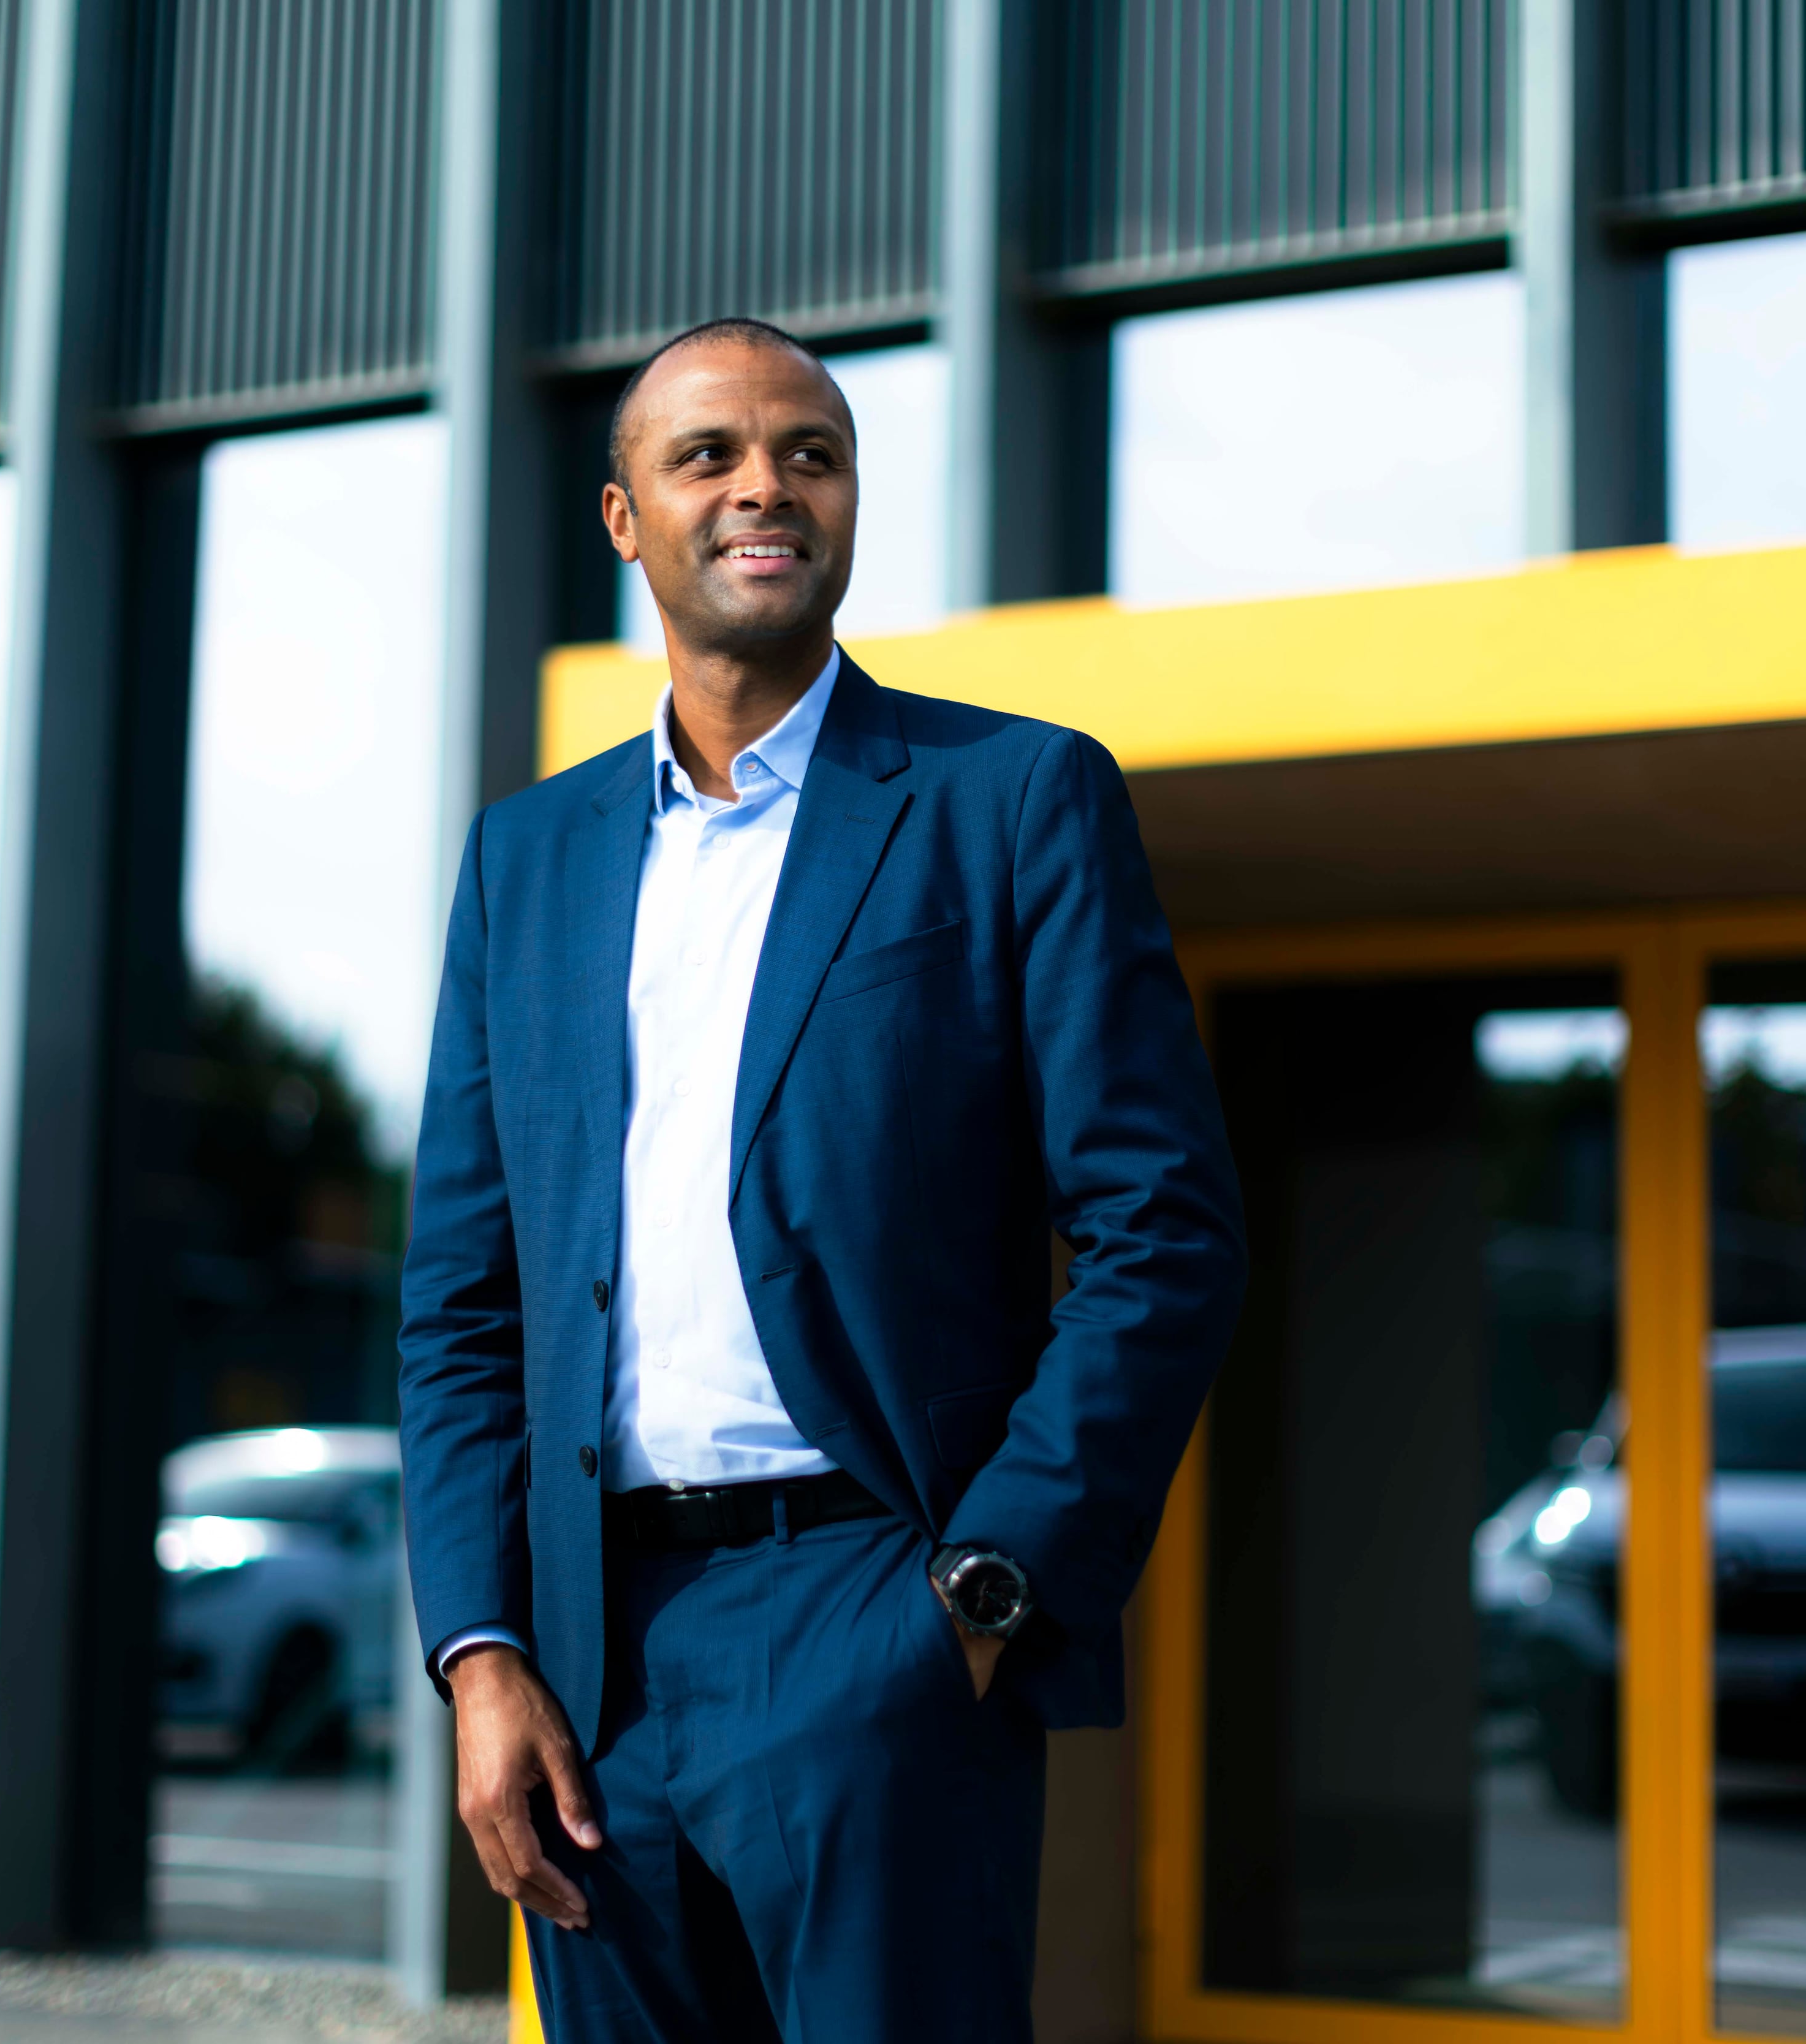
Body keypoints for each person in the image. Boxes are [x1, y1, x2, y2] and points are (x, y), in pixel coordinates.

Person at [396, 314, 1245, 2042]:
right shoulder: (527, 858)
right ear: (626, 518)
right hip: (585, 1666)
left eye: (811, 452)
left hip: (874, 1611)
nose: (763, 486)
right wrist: (482, 1653)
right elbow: (462, 1300)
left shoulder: (1008, 800)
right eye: (706, 455)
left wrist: (989, 1592)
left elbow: (1166, 1227)